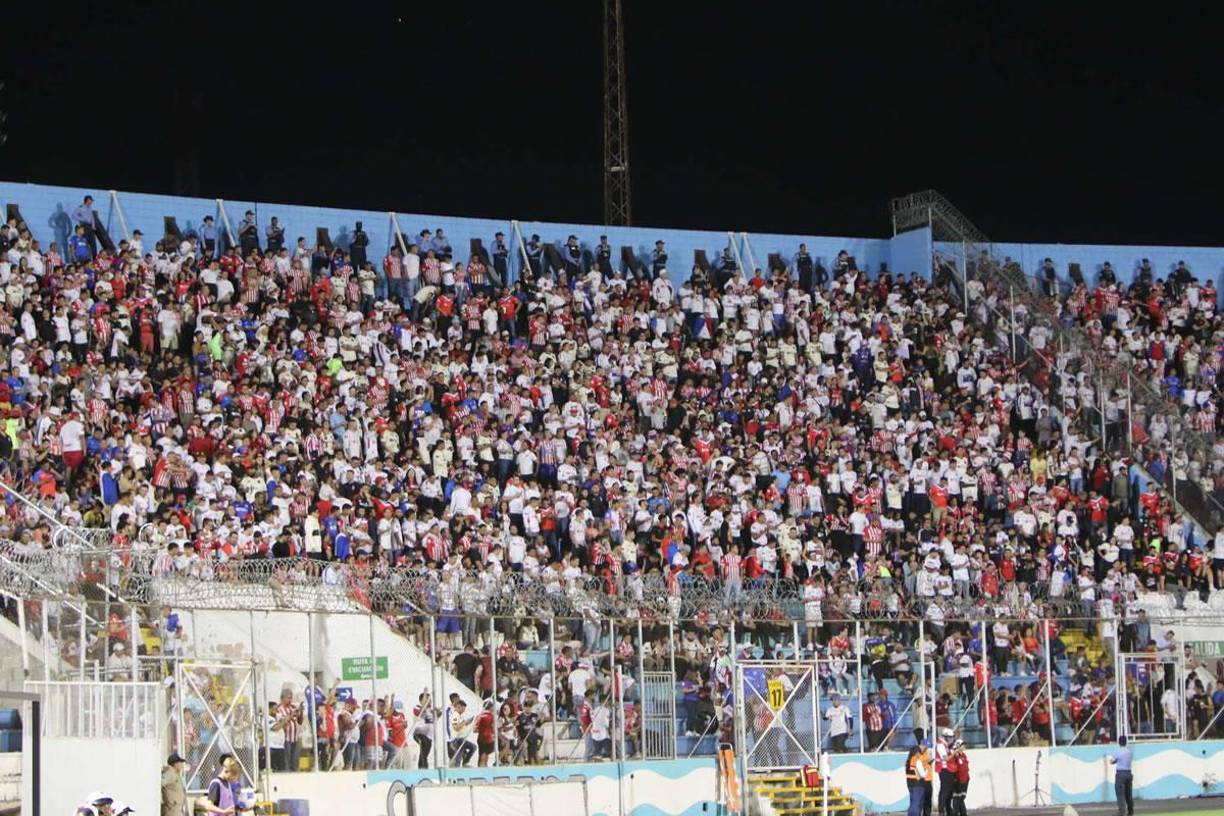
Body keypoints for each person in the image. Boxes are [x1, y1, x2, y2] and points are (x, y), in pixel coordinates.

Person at [446, 698, 476, 766]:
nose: (464, 711)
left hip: (461, 739)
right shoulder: (455, 715)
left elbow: (461, 725)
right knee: (460, 755)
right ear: (458, 707)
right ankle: (463, 764)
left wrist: (468, 723)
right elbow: (456, 727)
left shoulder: (459, 716)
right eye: (463, 709)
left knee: (471, 748)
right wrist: (465, 722)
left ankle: (464, 763)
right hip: (457, 740)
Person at [905, 742, 933, 816]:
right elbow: (923, 775)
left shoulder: (908, 761)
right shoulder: (917, 761)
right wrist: (927, 767)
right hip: (918, 784)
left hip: (910, 784)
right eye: (918, 752)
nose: (919, 754)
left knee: (912, 802)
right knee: (917, 804)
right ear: (916, 752)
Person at [1110, 734, 1134, 816]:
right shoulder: (1129, 752)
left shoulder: (1118, 751)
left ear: (1119, 742)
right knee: (1128, 794)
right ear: (1126, 742)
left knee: (1120, 794)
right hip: (1128, 773)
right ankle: (1130, 811)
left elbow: (1111, 761)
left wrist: (1116, 761)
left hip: (1120, 774)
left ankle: (1122, 812)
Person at [934, 727, 955, 816]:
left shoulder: (945, 745)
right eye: (950, 737)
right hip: (943, 770)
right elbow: (945, 758)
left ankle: (948, 808)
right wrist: (954, 752)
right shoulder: (940, 745)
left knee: (949, 791)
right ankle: (941, 810)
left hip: (949, 770)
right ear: (945, 737)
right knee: (944, 790)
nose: (951, 739)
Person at [950, 739, 969, 816]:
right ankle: (958, 813)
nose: (964, 746)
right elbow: (953, 767)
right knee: (957, 798)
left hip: (965, 780)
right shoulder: (955, 756)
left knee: (962, 797)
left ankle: (962, 813)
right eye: (963, 744)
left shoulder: (964, 755)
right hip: (958, 780)